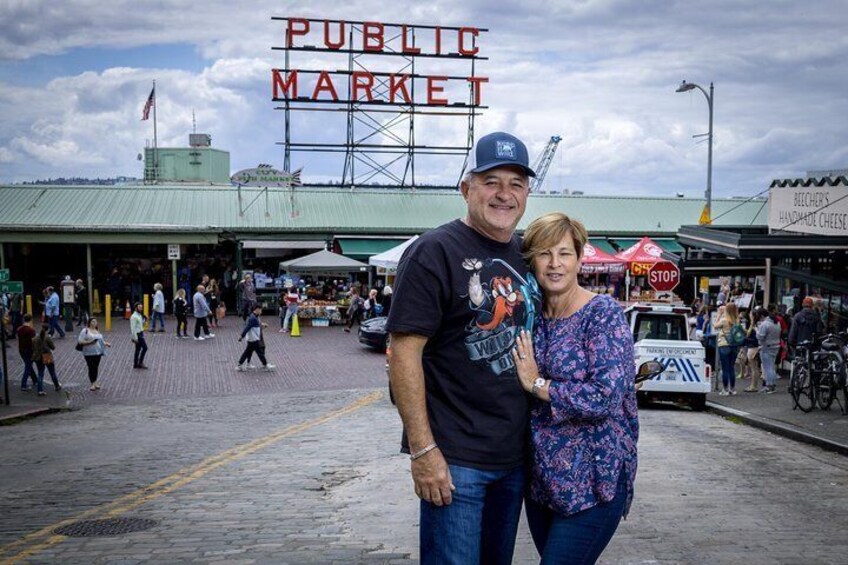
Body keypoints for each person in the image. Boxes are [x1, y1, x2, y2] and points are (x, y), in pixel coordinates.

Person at [387, 131, 540, 564]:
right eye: (491, 181)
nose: (504, 194)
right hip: (455, 461)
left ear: (528, 192)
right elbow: (404, 354)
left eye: (516, 183)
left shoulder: (526, 253)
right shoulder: (433, 251)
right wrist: (423, 450)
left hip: (514, 458)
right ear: (466, 188)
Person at [511, 212, 638, 564]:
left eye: (565, 253)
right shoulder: (530, 317)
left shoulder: (603, 314)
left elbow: (605, 397)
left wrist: (538, 385)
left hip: (596, 482)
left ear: (580, 259)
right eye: (544, 253)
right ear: (532, 261)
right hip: (542, 484)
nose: (555, 264)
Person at [237, 304, 276, 371]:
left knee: (248, 352)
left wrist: (242, 336)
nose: (261, 311)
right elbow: (247, 328)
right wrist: (242, 336)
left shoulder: (253, 317)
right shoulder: (253, 318)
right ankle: (265, 364)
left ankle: (241, 364)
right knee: (259, 352)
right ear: (257, 309)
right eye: (260, 309)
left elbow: (252, 326)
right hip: (254, 339)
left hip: (252, 339)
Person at [714, 302, 741, 395]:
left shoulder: (724, 320)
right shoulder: (737, 320)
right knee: (731, 368)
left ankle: (725, 389)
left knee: (725, 368)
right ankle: (732, 389)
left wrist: (719, 314)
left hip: (724, 344)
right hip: (734, 345)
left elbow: (715, 326)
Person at [79, 318, 110, 391]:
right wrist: (90, 342)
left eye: (95, 321)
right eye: (93, 321)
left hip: (98, 352)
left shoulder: (97, 331)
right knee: (91, 367)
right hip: (88, 352)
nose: (95, 323)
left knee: (96, 367)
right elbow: (80, 341)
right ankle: (92, 383)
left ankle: (95, 382)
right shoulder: (85, 331)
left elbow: (100, 341)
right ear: (89, 323)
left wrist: (106, 343)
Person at [756, 307, 782, 393]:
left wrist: (756, 331)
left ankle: (769, 386)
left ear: (762, 316)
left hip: (766, 347)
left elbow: (760, 337)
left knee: (767, 368)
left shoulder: (764, 324)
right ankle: (771, 385)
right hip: (775, 346)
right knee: (772, 367)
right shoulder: (777, 323)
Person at [32, 324, 61, 395]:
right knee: (52, 372)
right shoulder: (47, 337)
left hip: (38, 357)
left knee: (40, 373)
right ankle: (57, 385)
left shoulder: (34, 338)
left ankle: (40, 390)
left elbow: (33, 348)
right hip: (47, 356)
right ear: (47, 329)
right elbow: (53, 347)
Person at [742, 309, 764, 392]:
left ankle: (753, 386)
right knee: (755, 368)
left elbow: (750, 336)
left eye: (751, 314)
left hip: (752, 347)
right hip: (754, 347)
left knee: (753, 368)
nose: (749, 315)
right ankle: (753, 385)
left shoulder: (754, 325)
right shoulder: (757, 324)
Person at [17, 314, 38, 391]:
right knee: (28, 366)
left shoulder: (19, 329)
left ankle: (35, 380)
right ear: (31, 320)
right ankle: (23, 384)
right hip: (29, 350)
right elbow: (33, 342)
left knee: (28, 364)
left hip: (21, 349)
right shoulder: (31, 331)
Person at [130, 302, 148, 369]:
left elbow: (139, 325)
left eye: (141, 307)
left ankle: (136, 364)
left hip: (140, 333)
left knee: (138, 349)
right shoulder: (134, 317)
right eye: (139, 307)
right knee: (145, 348)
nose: (141, 309)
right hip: (138, 335)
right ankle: (140, 362)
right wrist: (135, 337)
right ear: (136, 308)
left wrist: (144, 320)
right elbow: (133, 328)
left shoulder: (139, 315)